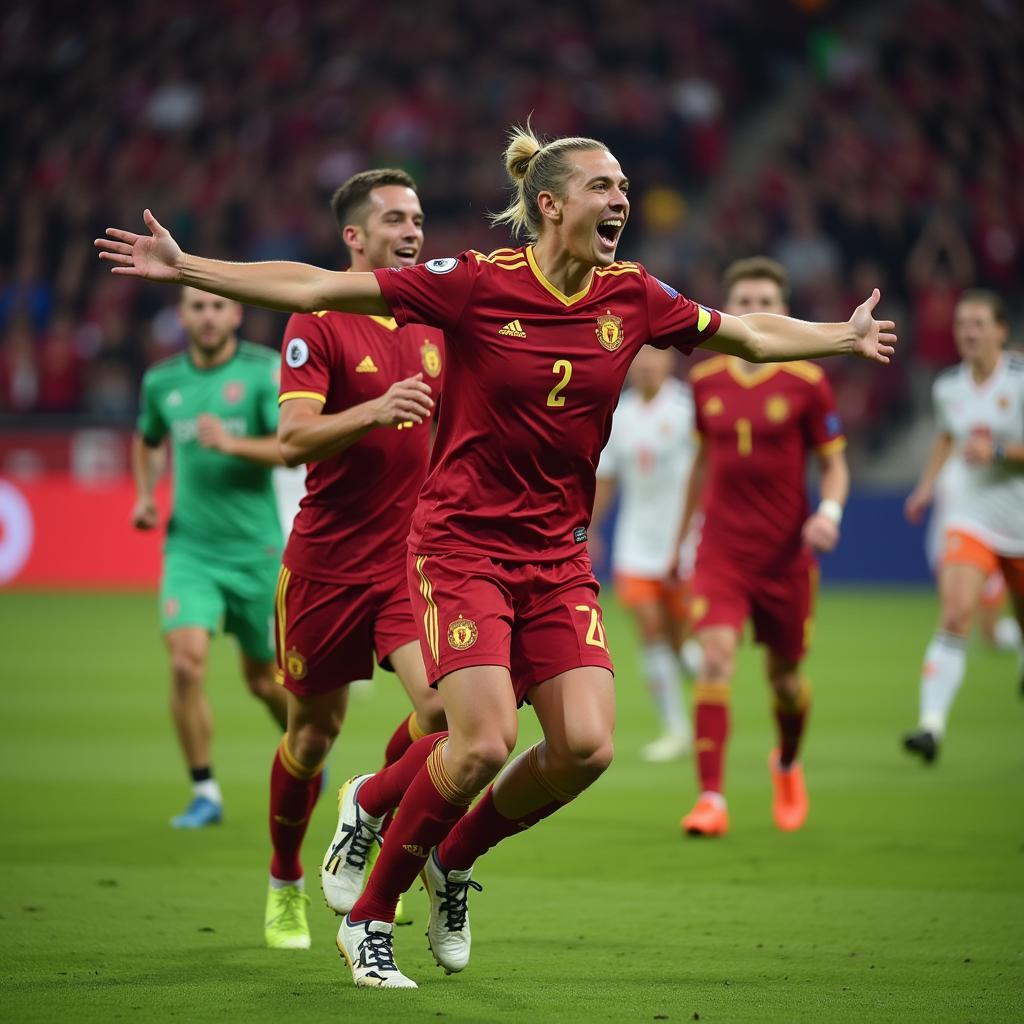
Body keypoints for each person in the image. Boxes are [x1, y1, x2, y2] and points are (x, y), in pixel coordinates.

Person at [97, 124, 896, 989]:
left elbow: (744, 333)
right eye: (602, 186)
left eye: (623, 185)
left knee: (587, 747)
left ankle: (451, 860)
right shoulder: (476, 283)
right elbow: (322, 284)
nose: (621, 197)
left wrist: (839, 337)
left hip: (556, 555)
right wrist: (191, 269)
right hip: (460, 546)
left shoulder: (632, 295)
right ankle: (368, 920)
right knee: (478, 741)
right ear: (550, 204)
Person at [263, 169, 448, 950]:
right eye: (395, 220)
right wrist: (374, 406)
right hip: (326, 565)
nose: (412, 231)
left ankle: (367, 807)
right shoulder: (321, 319)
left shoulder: (435, 319)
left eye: (417, 217)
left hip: (410, 566)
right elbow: (291, 438)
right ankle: (283, 881)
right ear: (355, 238)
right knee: (311, 735)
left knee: (444, 712)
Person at [677, 257, 850, 837]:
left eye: (766, 301)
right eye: (744, 301)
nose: (755, 311)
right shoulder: (704, 381)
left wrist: (828, 514)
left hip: (784, 559)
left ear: (784, 310)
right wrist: (683, 537)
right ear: (728, 309)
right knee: (716, 657)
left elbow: (834, 468)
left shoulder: (808, 381)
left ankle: (787, 762)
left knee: (785, 682)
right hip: (722, 552)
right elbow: (700, 465)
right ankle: (711, 799)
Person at [133, 287, 288, 829]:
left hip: (257, 551)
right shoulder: (162, 382)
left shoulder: (263, 373)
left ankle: (306, 749)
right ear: (182, 317)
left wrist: (230, 443)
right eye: (197, 307)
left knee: (264, 681)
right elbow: (149, 438)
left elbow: (289, 444)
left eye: (217, 306)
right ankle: (205, 790)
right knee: (184, 662)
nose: (207, 315)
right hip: (190, 549)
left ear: (236, 313)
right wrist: (147, 494)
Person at [903, 290, 1024, 763]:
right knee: (955, 615)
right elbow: (947, 436)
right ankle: (930, 727)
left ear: (1001, 330)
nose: (968, 333)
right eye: (962, 324)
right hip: (971, 516)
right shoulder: (947, 386)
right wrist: (926, 486)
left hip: (1020, 519)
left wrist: (997, 452)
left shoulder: (1020, 381)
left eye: (978, 323)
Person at [591, 344, 700, 761]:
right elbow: (607, 479)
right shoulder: (620, 417)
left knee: (678, 640)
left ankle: (705, 681)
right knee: (650, 630)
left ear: (671, 361)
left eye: (655, 356)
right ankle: (675, 728)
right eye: (640, 357)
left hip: (684, 543)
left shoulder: (688, 410)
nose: (647, 364)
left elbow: (709, 470)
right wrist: (592, 528)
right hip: (635, 543)